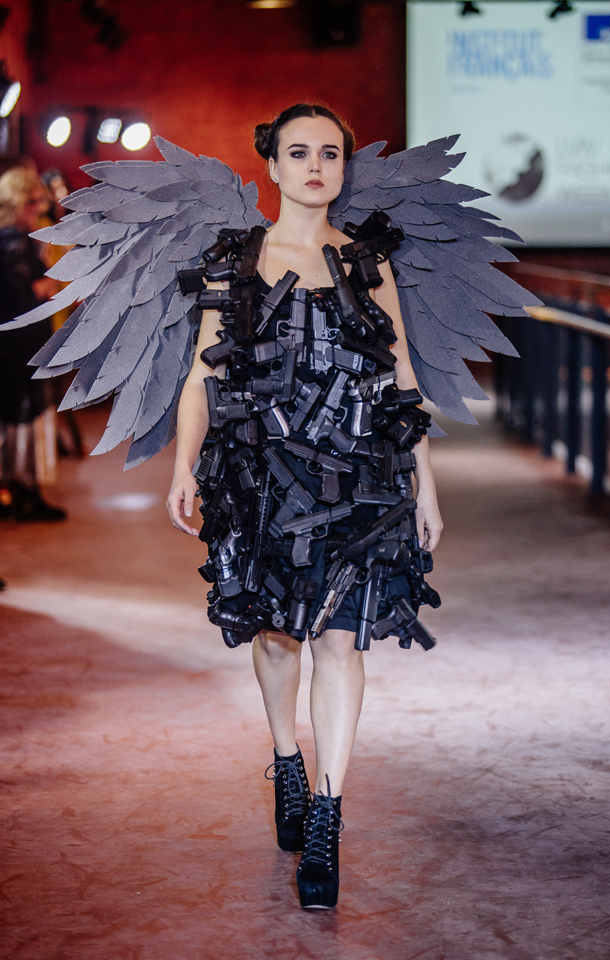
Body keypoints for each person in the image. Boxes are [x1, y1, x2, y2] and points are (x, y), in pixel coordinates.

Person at [166, 104, 442, 909]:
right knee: (278, 635)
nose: (315, 166)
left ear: (344, 168)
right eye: (299, 152)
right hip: (261, 477)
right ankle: (286, 758)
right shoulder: (235, 260)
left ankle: (326, 812)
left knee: (340, 640)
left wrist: (425, 481)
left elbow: (401, 376)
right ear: (272, 166)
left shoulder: (367, 263)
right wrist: (184, 466)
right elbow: (202, 375)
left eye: (329, 153)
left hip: (359, 475)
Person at [0, 166, 66, 521]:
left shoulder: (18, 242)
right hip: (16, 350)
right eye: (32, 202)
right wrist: (48, 285)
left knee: (23, 422)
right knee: (24, 422)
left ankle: (20, 490)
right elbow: (23, 296)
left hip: (21, 347)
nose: (38, 209)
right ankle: (23, 491)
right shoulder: (12, 244)